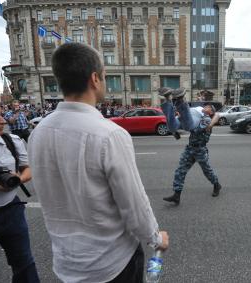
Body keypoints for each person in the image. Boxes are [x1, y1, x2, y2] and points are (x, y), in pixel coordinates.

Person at [27, 43, 169, 283]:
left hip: (67, 263)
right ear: (95, 79)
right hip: (111, 263)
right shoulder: (109, 134)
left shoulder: (38, 133)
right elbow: (133, 204)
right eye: (104, 75)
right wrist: (155, 238)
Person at [0, 96, 40, 283]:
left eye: (1, 114)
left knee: (24, 263)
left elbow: (28, 169)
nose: (2, 120)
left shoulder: (12, 141)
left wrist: (18, 178)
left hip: (11, 212)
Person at [159, 87, 222, 205]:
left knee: (207, 171)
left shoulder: (207, 120)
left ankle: (217, 185)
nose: (205, 107)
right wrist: (176, 129)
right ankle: (176, 195)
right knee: (180, 170)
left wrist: (185, 120)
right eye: (205, 105)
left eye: (208, 107)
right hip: (190, 148)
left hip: (200, 150)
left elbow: (196, 129)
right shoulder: (197, 115)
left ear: (211, 112)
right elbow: (188, 125)